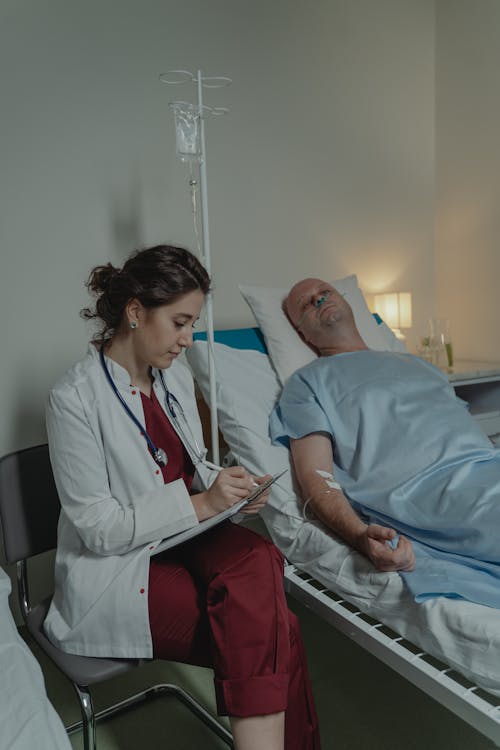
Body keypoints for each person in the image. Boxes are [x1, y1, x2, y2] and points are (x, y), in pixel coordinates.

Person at [44, 246, 320, 750]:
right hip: (119, 569)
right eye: (179, 323)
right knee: (280, 630)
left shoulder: (172, 375)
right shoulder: (75, 398)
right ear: (135, 312)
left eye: (192, 323)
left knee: (259, 557)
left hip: (183, 536)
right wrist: (205, 504)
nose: (187, 340)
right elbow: (99, 528)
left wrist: (230, 488)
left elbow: (185, 466)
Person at [270, 277, 500, 609]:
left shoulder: (419, 364)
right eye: (307, 304)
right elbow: (315, 477)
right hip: (431, 492)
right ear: (301, 333)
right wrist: (360, 537)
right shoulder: (307, 383)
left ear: (347, 303)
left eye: (325, 293)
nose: (319, 300)